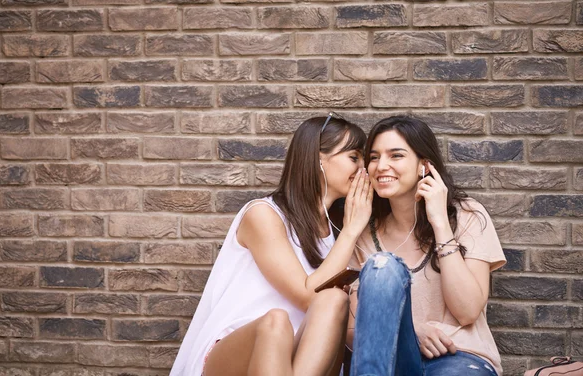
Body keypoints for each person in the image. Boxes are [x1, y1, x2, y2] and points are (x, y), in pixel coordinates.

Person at [170, 114, 373, 376]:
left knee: (334, 299)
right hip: (237, 352)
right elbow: (306, 297)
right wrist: (352, 229)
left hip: (301, 359)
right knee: (276, 322)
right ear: (318, 158)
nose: (363, 169)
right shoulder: (264, 215)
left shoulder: (336, 229)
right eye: (354, 157)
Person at [347, 116, 506, 376]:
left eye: (395, 155)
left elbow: (467, 311)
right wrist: (409, 330)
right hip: (392, 361)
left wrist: (440, 223)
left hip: (460, 357)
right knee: (382, 265)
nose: (381, 166)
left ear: (424, 165)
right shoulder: (363, 233)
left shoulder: (467, 215)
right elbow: (356, 332)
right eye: (373, 157)